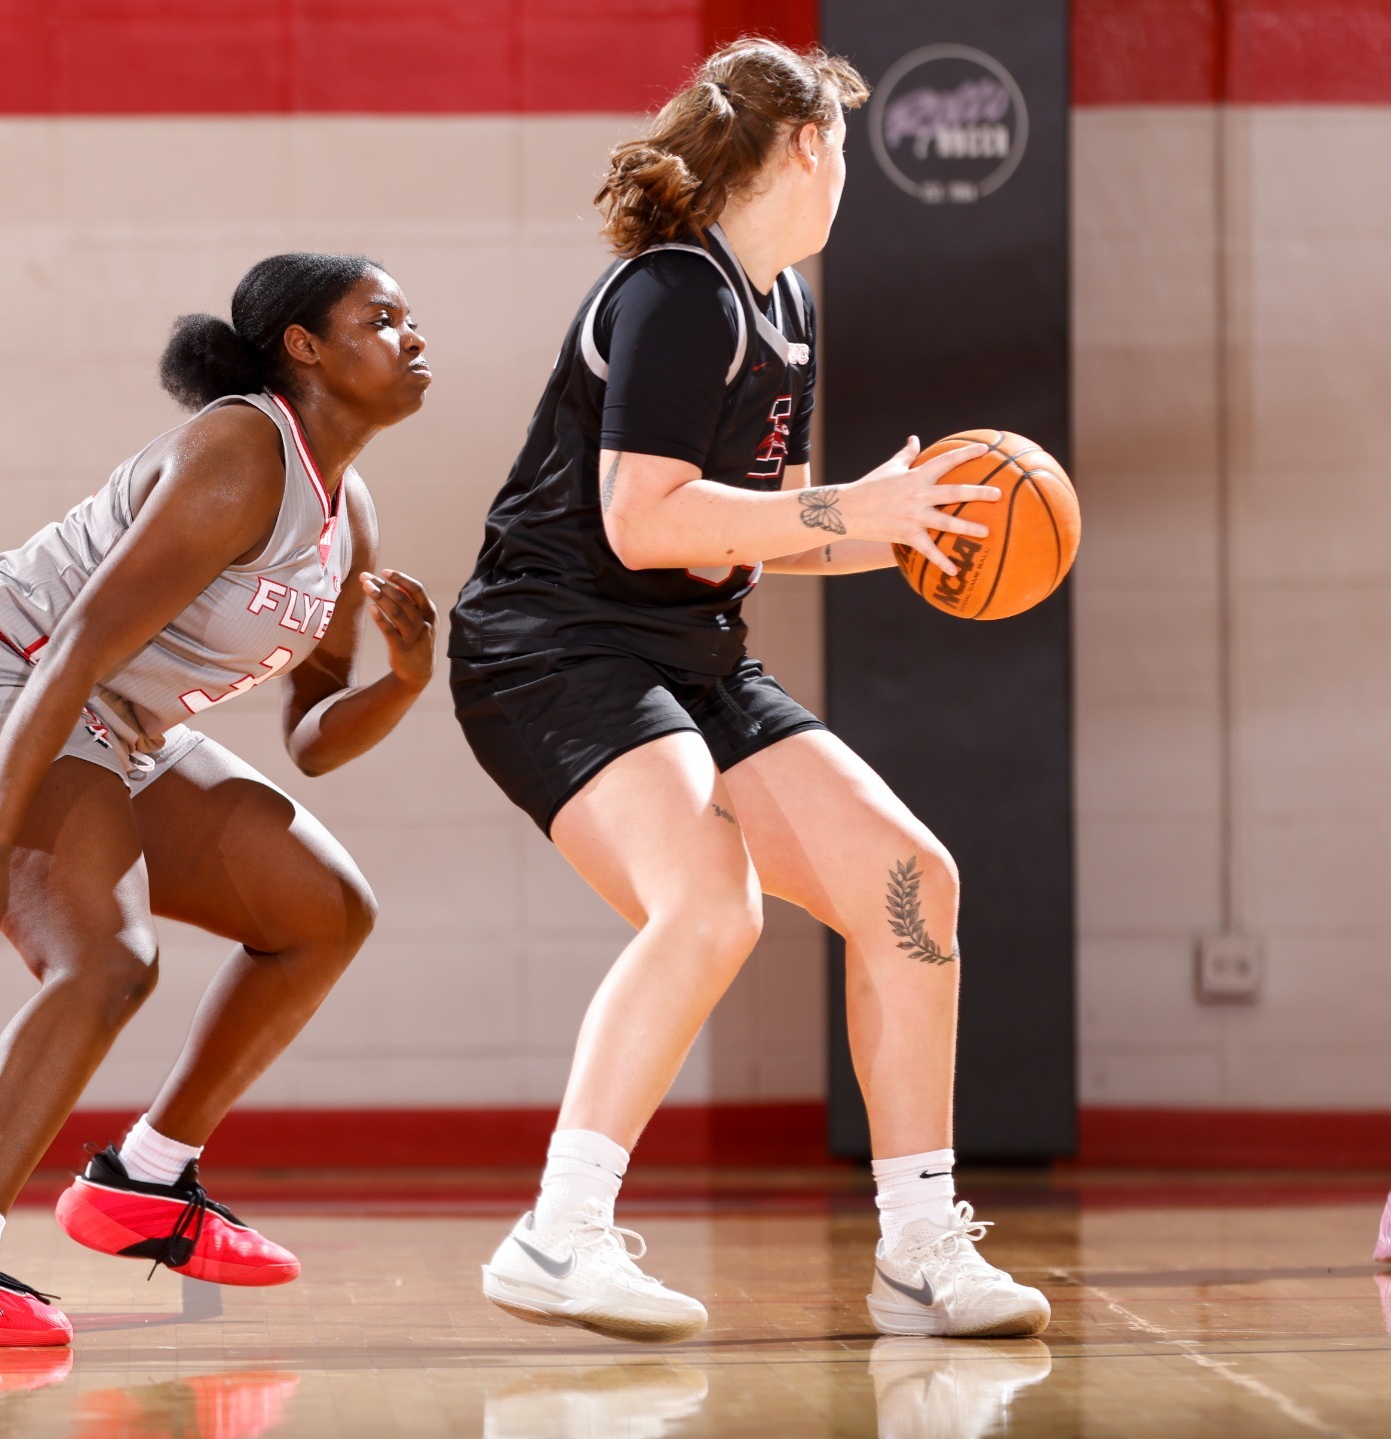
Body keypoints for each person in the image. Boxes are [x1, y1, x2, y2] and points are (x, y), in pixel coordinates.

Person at [449, 38, 1050, 1343]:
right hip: (555, 643)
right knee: (708, 901)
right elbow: (640, 520)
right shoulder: (677, 293)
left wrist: (891, 528)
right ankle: (560, 1230)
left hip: (690, 653)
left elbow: (737, 529)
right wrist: (852, 504)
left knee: (910, 883)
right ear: (810, 147)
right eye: (843, 151)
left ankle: (920, 1247)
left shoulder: (781, 303)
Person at [0, 253, 437, 1345]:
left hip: (112, 716)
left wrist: (403, 682)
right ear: (303, 347)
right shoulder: (239, 448)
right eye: (383, 318)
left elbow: (309, 742)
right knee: (108, 960)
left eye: (412, 320)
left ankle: (143, 1181)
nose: (413, 339)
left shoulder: (346, 513)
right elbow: (69, 648)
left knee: (322, 910)